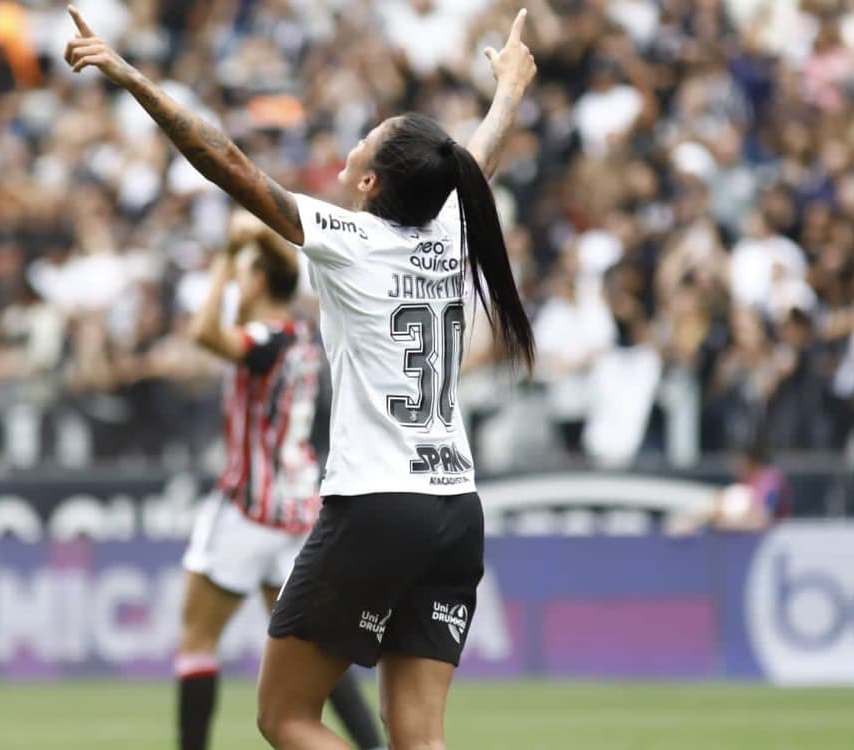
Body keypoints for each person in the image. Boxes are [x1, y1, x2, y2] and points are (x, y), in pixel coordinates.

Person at [65, 6, 537, 748]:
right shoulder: (451, 227)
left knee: (283, 716)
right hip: (456, 510)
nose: (350, 145)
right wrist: (510, 89)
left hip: (378, 503)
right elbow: (478, 157)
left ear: (371, 180)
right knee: (420, 737)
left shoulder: (352, 241)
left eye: (364, 140)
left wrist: (133, 79)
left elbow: (231, 166)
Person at [177, 209, 384, 750]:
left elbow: (203, 333)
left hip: (249, 508)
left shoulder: (264, 339)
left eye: (246, 274)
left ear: (261, 280)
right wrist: (260, 240)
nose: (236, 286)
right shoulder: (302, 338)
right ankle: (372, 744)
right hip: (297, 513)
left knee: (196, 641)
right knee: (308, 650)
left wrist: (226, 254)